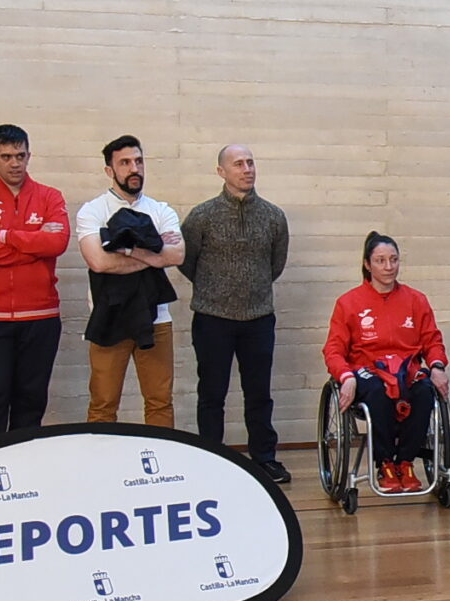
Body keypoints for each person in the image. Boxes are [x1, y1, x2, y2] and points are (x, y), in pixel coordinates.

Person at [179, 143, 292, 483]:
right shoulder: (202, 216)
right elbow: (187, 260)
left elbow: (276, 264)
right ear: (221, 172)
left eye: (250, 162)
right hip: (213, 318)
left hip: (258, 318)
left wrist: (250, 288)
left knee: (259, 392)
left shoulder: (273, 216)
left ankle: (264, 457)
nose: (247, 169)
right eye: (238, 164)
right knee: (211, 392)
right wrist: (219, 289)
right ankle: (212, 455)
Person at [0, 123, 69, 439]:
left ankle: (26, 477)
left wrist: (6, 236)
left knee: (31, 403)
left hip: (41, 317)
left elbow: (56, 244)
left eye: (20, 155)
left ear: (29, 155)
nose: (15, 163)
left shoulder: (49, 196)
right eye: (6, 156)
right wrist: (33, 245)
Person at [323, 232, 449, 493]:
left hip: (407, 369)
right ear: (367, 264)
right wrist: (346, 377)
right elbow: (333, 349)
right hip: (368, 370)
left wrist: (437, 366)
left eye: (393, 260)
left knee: (425, 392)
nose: (388, 266)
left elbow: (432, 340)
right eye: (380, 260)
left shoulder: (416, 300)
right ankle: (385, 463)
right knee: (379, 394)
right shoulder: (348, 303)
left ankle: (405, 462)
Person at [74, 136, 185, 427]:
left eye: (138, 161)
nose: (134, 168)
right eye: (124, 163)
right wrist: (154, 249)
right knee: (103, 403)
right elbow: (99, 262)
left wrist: (125, 248)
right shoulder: (93, 211)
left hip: (156, 319)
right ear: (110, 170)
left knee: (160, 401)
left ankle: (162, 468)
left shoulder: (161, 210)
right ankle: (101, 466)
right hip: (109, 316)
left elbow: (176, 255)